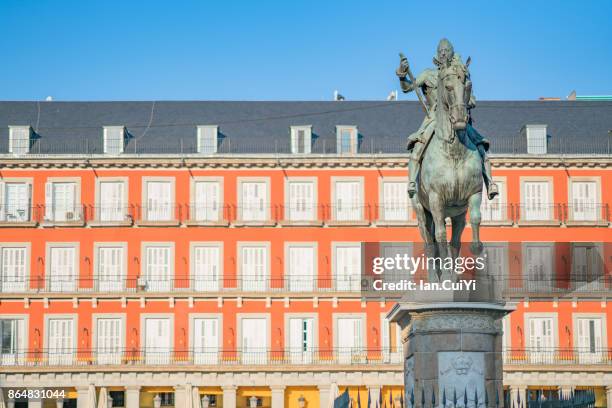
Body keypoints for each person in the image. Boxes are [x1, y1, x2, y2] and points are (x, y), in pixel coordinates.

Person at [396, 38, 498, 199]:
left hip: (458, 115)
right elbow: (408, 87)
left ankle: (489, 181)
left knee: (479, 145)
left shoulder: (460, 74)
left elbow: (471, 99)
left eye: (447, 50)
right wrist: (402, 75)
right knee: (419, 144)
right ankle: (412, 181)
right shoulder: (428, 74)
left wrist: (463, 103)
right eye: (440, 51)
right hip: (435, 118)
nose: (443, 53)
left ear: (452, 53)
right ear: (437, 55)